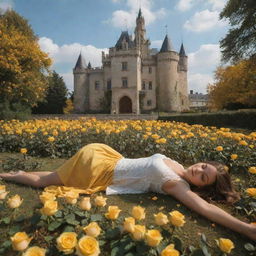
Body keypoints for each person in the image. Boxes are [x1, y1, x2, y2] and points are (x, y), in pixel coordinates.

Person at [0, 143, 255, 240]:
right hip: (104, 156)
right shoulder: (178, 167)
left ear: (201, 186)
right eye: (202, 166)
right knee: (51, 178)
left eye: (203, 177)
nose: (197, 171)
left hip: (100, 170)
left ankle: (8, 175)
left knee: (49, 179)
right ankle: (9, 175)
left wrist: (246, 229)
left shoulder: (177, 185)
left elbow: (206, 208)